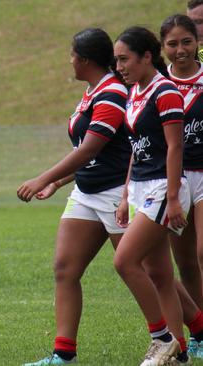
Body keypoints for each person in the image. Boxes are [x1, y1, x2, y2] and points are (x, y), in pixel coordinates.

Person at [17, 28, 130, 365]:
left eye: (71, 55)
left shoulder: (111, 93)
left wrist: (42, 178)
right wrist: (60, 183)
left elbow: (93, 147)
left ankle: (192, 334)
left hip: (116, 192)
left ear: (83, 60)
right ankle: (63, 355)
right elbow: (87, 152)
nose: (69, 61)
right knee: (65, 268)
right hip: (86, 191)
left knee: (146, 270)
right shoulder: (91, 90)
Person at [113, 26, 191, 365]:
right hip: (143, 188)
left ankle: (161, 339)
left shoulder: (165, 92)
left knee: (124, 261)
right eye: (116, 60)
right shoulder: (135, 93)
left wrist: (174, 198)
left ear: (147, 56)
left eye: (125, 59)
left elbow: (175, 147)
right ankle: (179, 353)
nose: (120, 67)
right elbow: (136, 149)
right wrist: (126, 193)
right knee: (160, 275)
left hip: (163, 187)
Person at [162, 14, 203, 360]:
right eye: (172, 44)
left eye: (186, 42)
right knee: (186, 262)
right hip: (173, 177)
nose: (180, 50)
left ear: (197, 42)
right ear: (162, 48)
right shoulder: (159, 84)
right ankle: (201, 332)